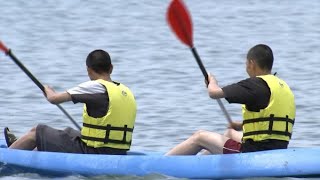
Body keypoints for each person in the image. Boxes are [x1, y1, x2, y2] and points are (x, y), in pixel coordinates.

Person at [166, 44, 295, 155]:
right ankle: (204, 163)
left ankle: (162, 162)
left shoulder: (255, 84)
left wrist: (212, 82)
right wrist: (240, 125)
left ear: (251, 63)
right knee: (230, 133)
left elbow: (214, 93)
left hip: (254, 152)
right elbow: (271, 122)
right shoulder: (283, 87)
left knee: (200, 136)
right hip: (278, 148)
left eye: (246, 64)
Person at [4, 49, 137, 155]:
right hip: (118, 151)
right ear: (111, 68)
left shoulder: (94, 86)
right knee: (69, 133)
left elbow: (54, 99)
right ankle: (23, 148)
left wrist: (47, 89)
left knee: (37, 131)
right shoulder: (126, 91)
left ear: (89, 70)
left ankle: (8, 156)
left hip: (95, 152)